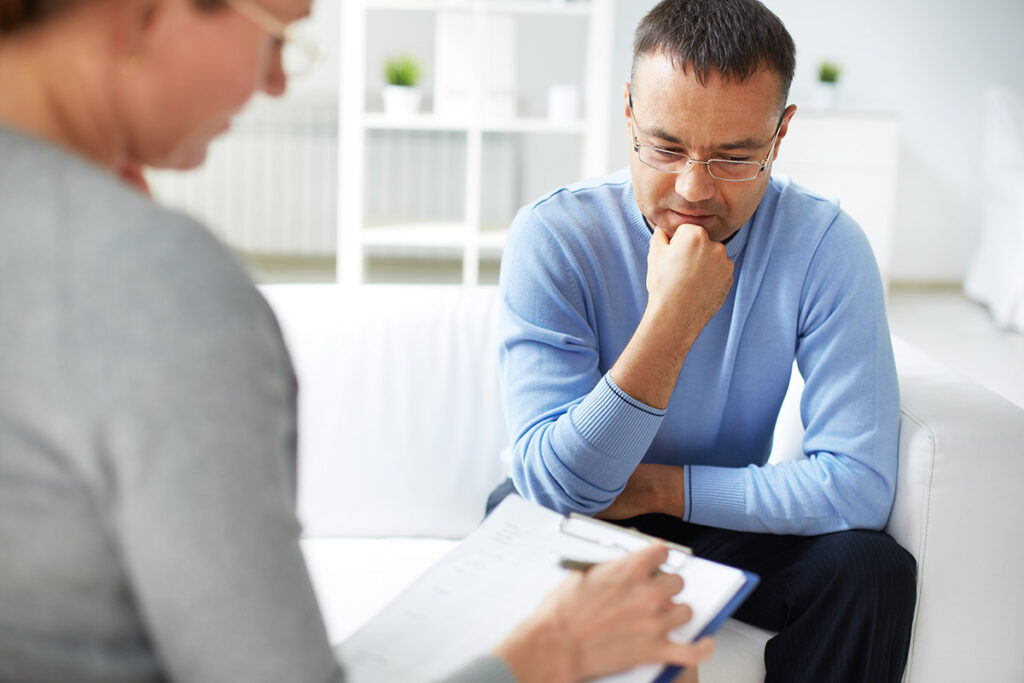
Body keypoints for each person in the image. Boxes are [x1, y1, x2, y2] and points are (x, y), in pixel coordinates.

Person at [0, 0, 714, 681]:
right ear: (146, 13)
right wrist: (553, 649)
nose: (276, 83)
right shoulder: (157, 284)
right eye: (277, 36)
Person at [489, 0, 918, 681]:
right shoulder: (556, 236)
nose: (693, 190)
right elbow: (556, 485)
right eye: (665, 147)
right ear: (627, 112)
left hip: (707, 510)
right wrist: (674, 317)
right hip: (581, 506)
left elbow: (858, 484)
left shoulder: (826, 246)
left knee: (870, 569)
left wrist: (661, 488)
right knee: (516, 515)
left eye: (734, 156)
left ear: (780, 134)